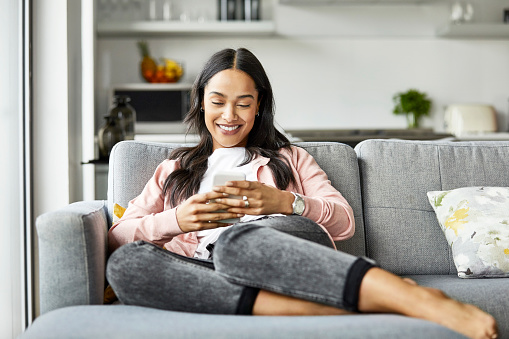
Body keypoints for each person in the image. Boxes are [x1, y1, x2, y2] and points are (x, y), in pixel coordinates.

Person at [107, 48, 498, 339]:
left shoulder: (289, 158)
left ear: (259, 107)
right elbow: (118, 236)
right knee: (125, 266)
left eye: (244, 104)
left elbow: (343, 221)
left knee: (235, 244)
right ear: (201, 101)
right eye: (218, 102)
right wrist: (176, 220)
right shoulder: (176, 168)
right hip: (204, 268)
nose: (230, 116)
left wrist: (285, 203)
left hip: (283, 248)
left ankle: (423, 301)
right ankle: (337, 312)